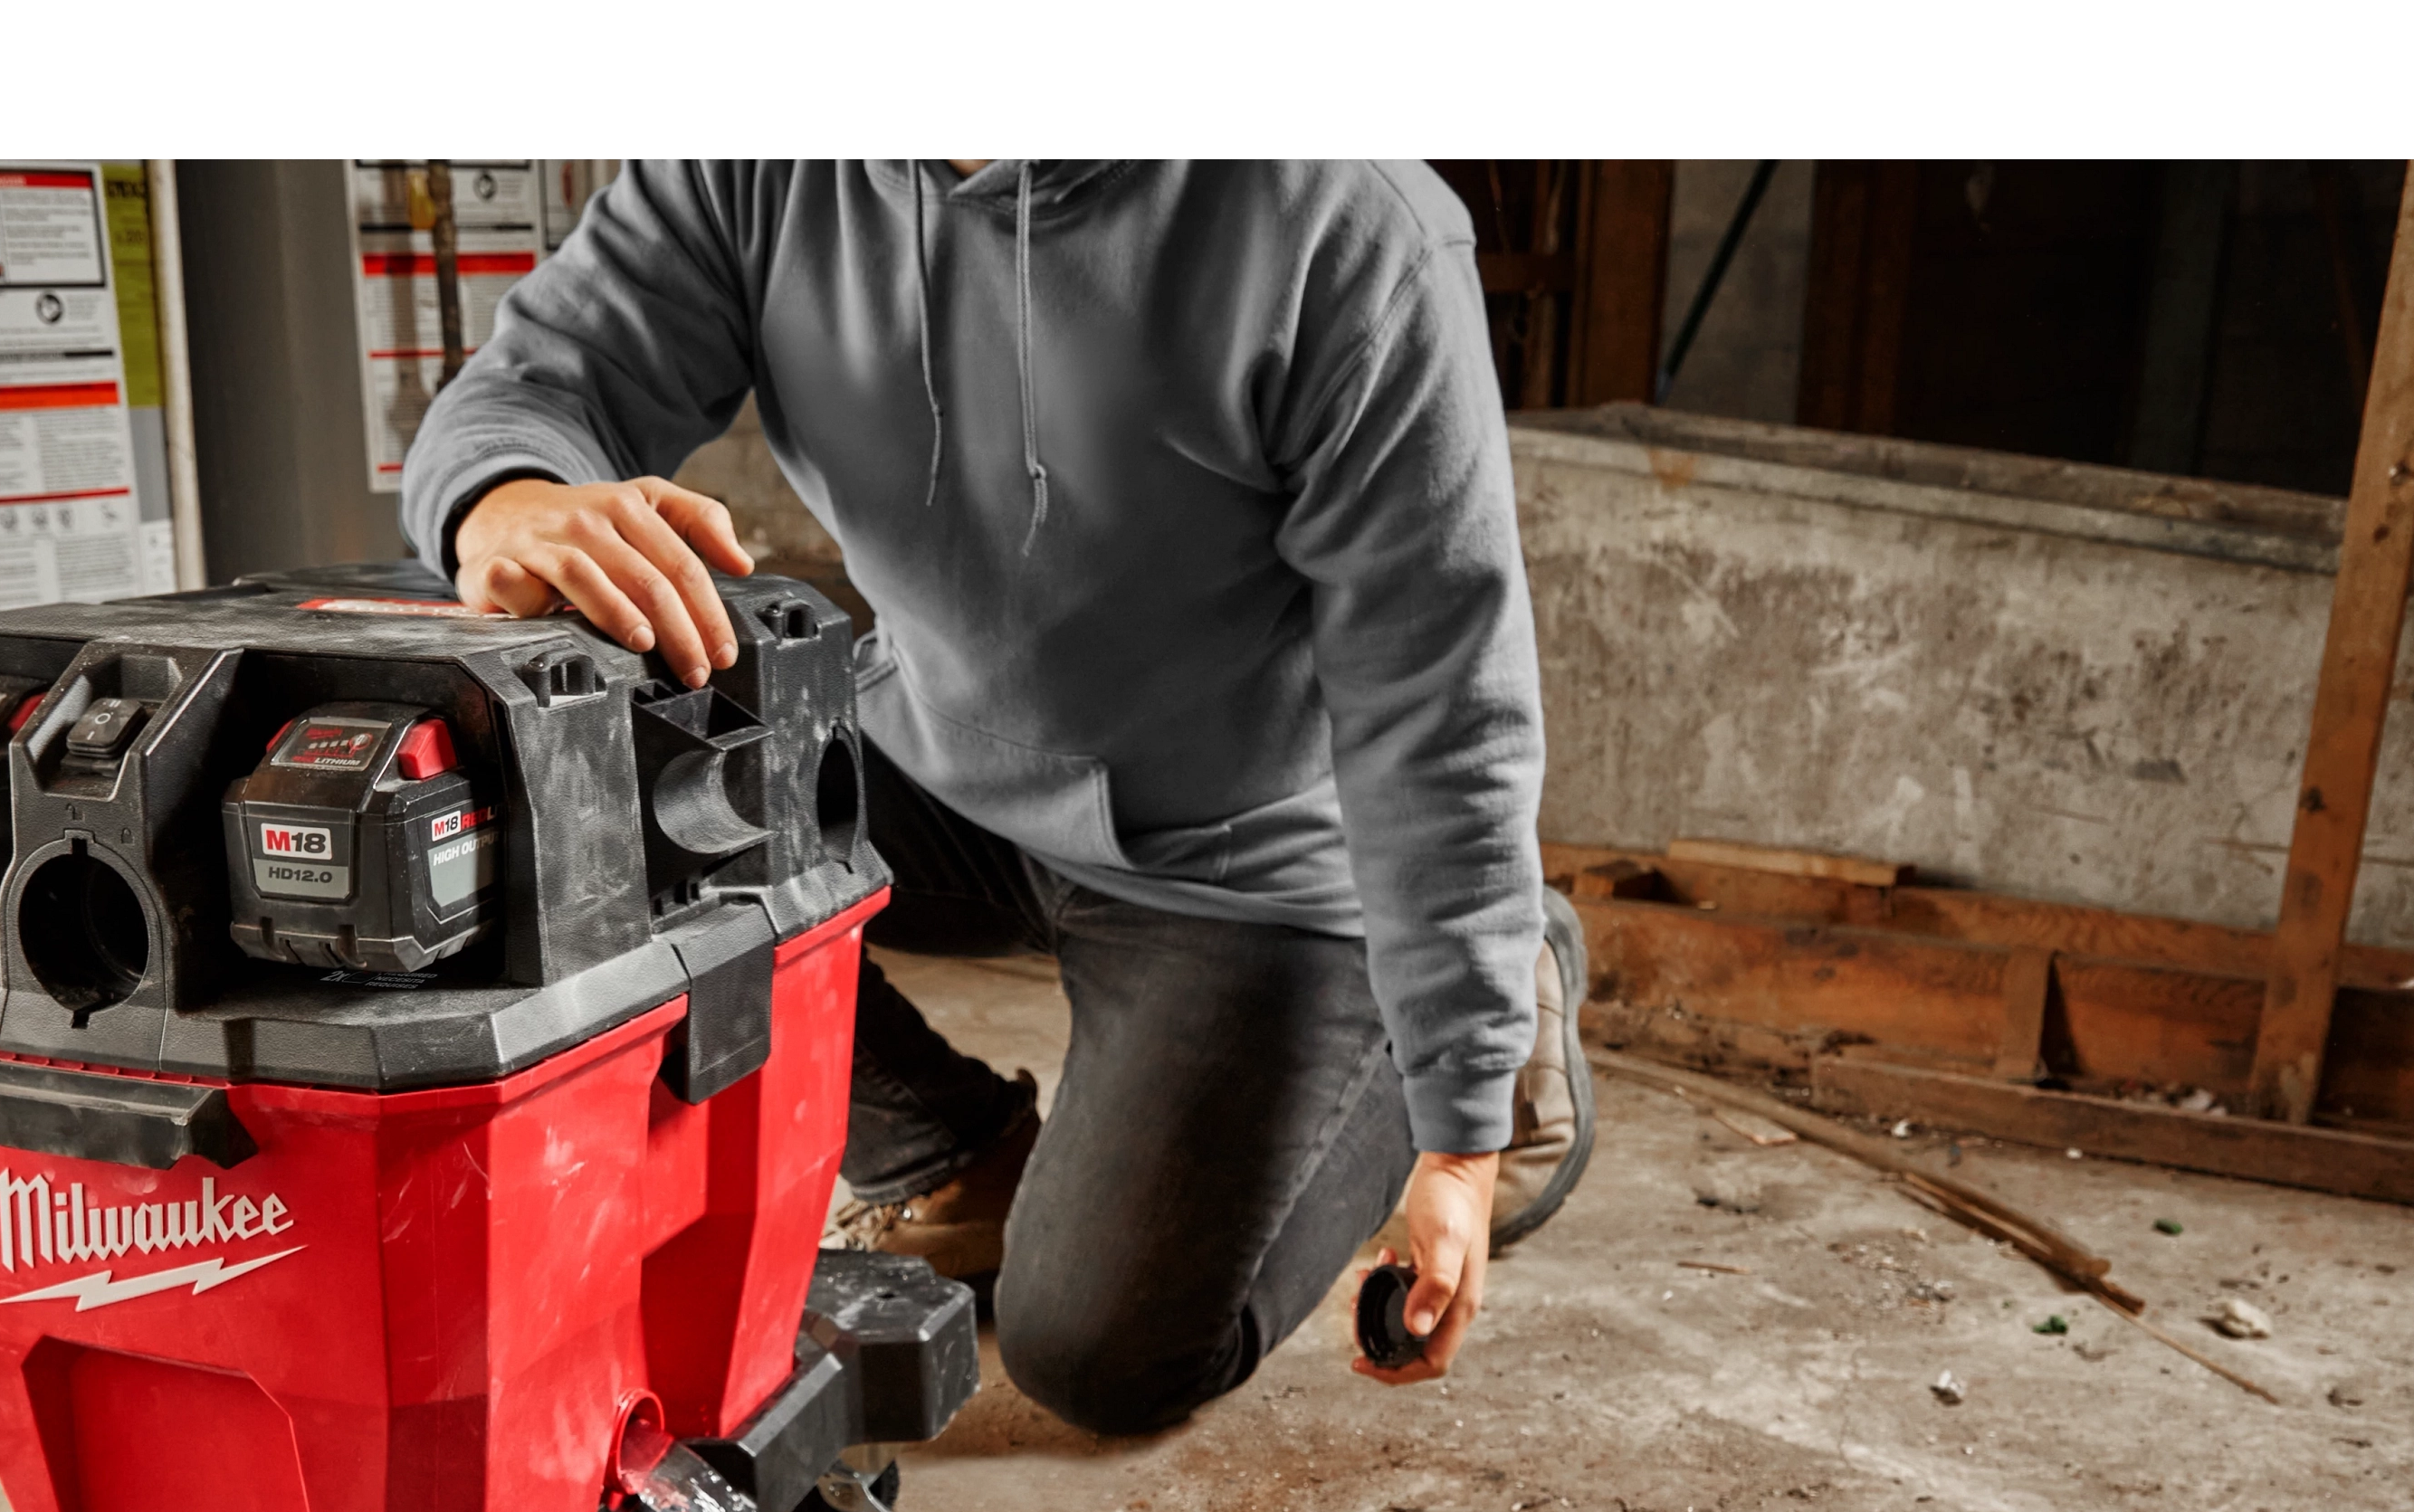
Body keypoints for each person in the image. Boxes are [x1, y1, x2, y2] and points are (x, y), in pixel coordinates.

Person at [398, 157, 1591, 1434]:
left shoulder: (1346, 224)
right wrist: (505, 495)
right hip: (939, 755)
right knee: (580, 810)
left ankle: (1509, 975)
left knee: (1097, 1353)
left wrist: (1461, 1126)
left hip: (1256, 864)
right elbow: (541, 382)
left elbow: (1439, 699)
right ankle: (949, 1146)